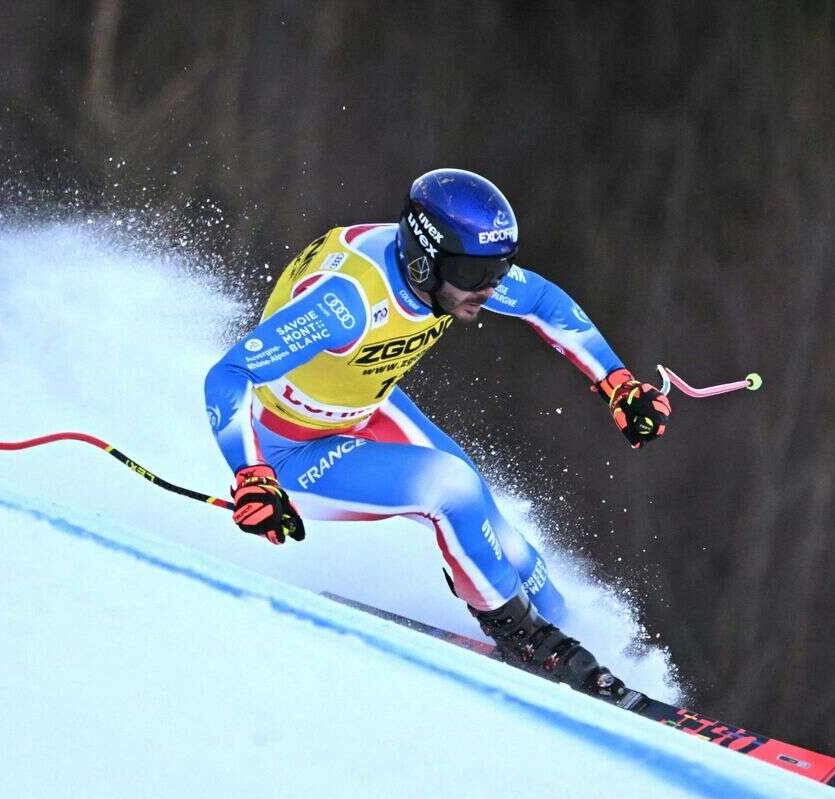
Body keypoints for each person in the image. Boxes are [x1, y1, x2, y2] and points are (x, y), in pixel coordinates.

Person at [204, 169, 671, 708]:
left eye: (498, 269)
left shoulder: (449, 274)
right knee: (450, 490)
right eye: (477, 272)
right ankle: (523, 638)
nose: (490, 287)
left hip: (363, 409)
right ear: (426, 259)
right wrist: (251, 473)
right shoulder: (346, 304)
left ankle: (579, 641)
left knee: (496, 526)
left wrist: (615, 381)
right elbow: (229, 373)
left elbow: (543, 301)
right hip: (288, 453)